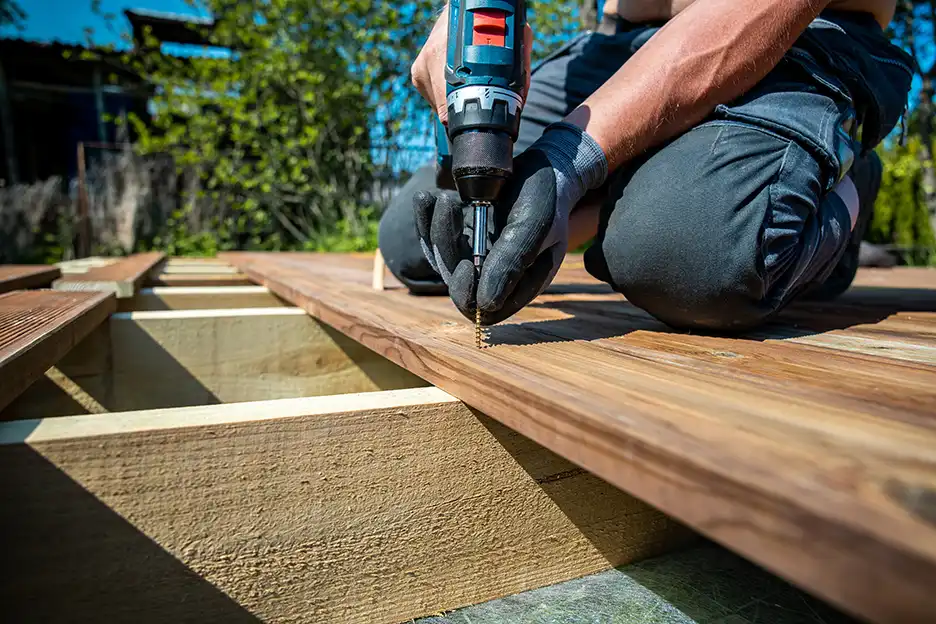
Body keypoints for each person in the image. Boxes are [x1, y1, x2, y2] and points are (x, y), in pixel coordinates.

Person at [378, 0, 913, 331]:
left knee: (689, 256)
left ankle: (846, 178)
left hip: (794, 32)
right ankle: (631, 184)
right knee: (420, 239)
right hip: (619, 46)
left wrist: (569, 160)